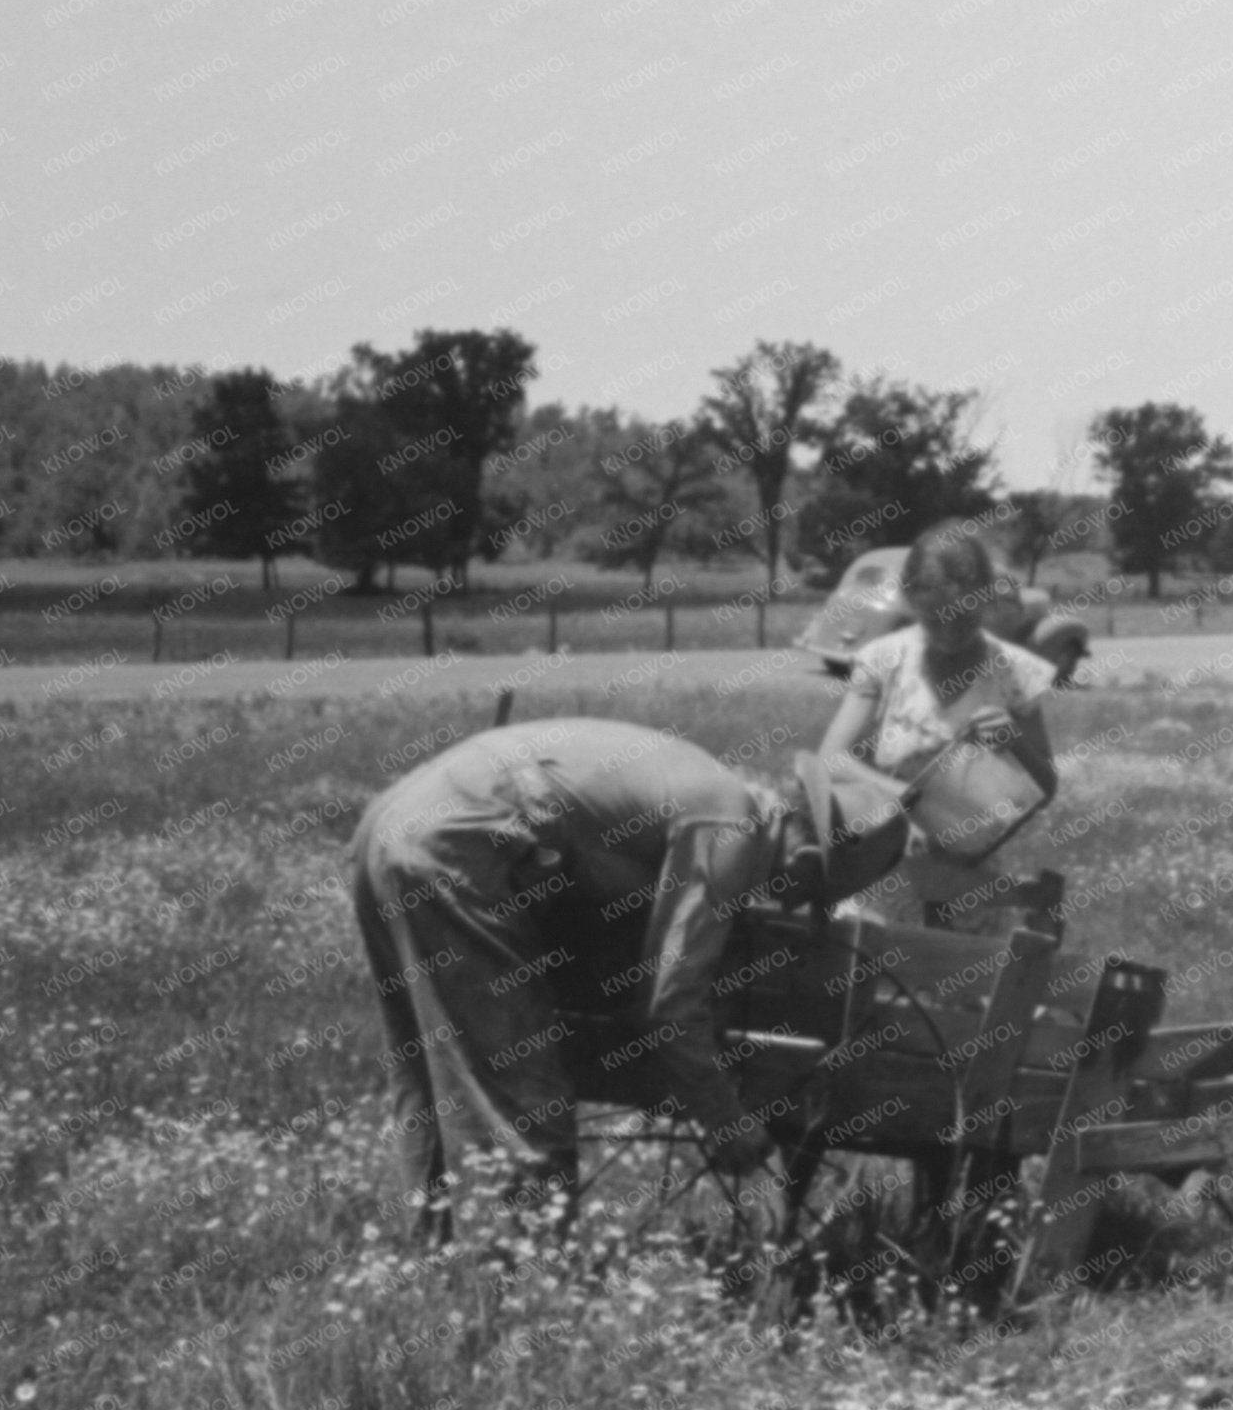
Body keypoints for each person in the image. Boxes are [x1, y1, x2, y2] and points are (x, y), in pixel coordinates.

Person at [346, 720, 913, 1232]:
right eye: (804, 897)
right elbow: (669, 1005)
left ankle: (435, 1259)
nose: (786, 908)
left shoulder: (709, 789)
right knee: (519, 1096)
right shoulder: (730, 826)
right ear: (806, 862)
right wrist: (723, 1118)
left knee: (427, 1073)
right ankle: (517, 1292)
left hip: (397, 821)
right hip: (461, 844)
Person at [821, 520, 1062, 924]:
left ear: (986, 600)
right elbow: (831, 759)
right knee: (869, 972)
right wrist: (901, 800)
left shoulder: (1014, 672)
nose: (950, 633)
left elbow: (1047, 786)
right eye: (935, 619)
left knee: (961, 975)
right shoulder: (884, 659)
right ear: (910, 600)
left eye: (964, 618)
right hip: (885, 868)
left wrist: (1015, 742)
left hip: (969, 879)